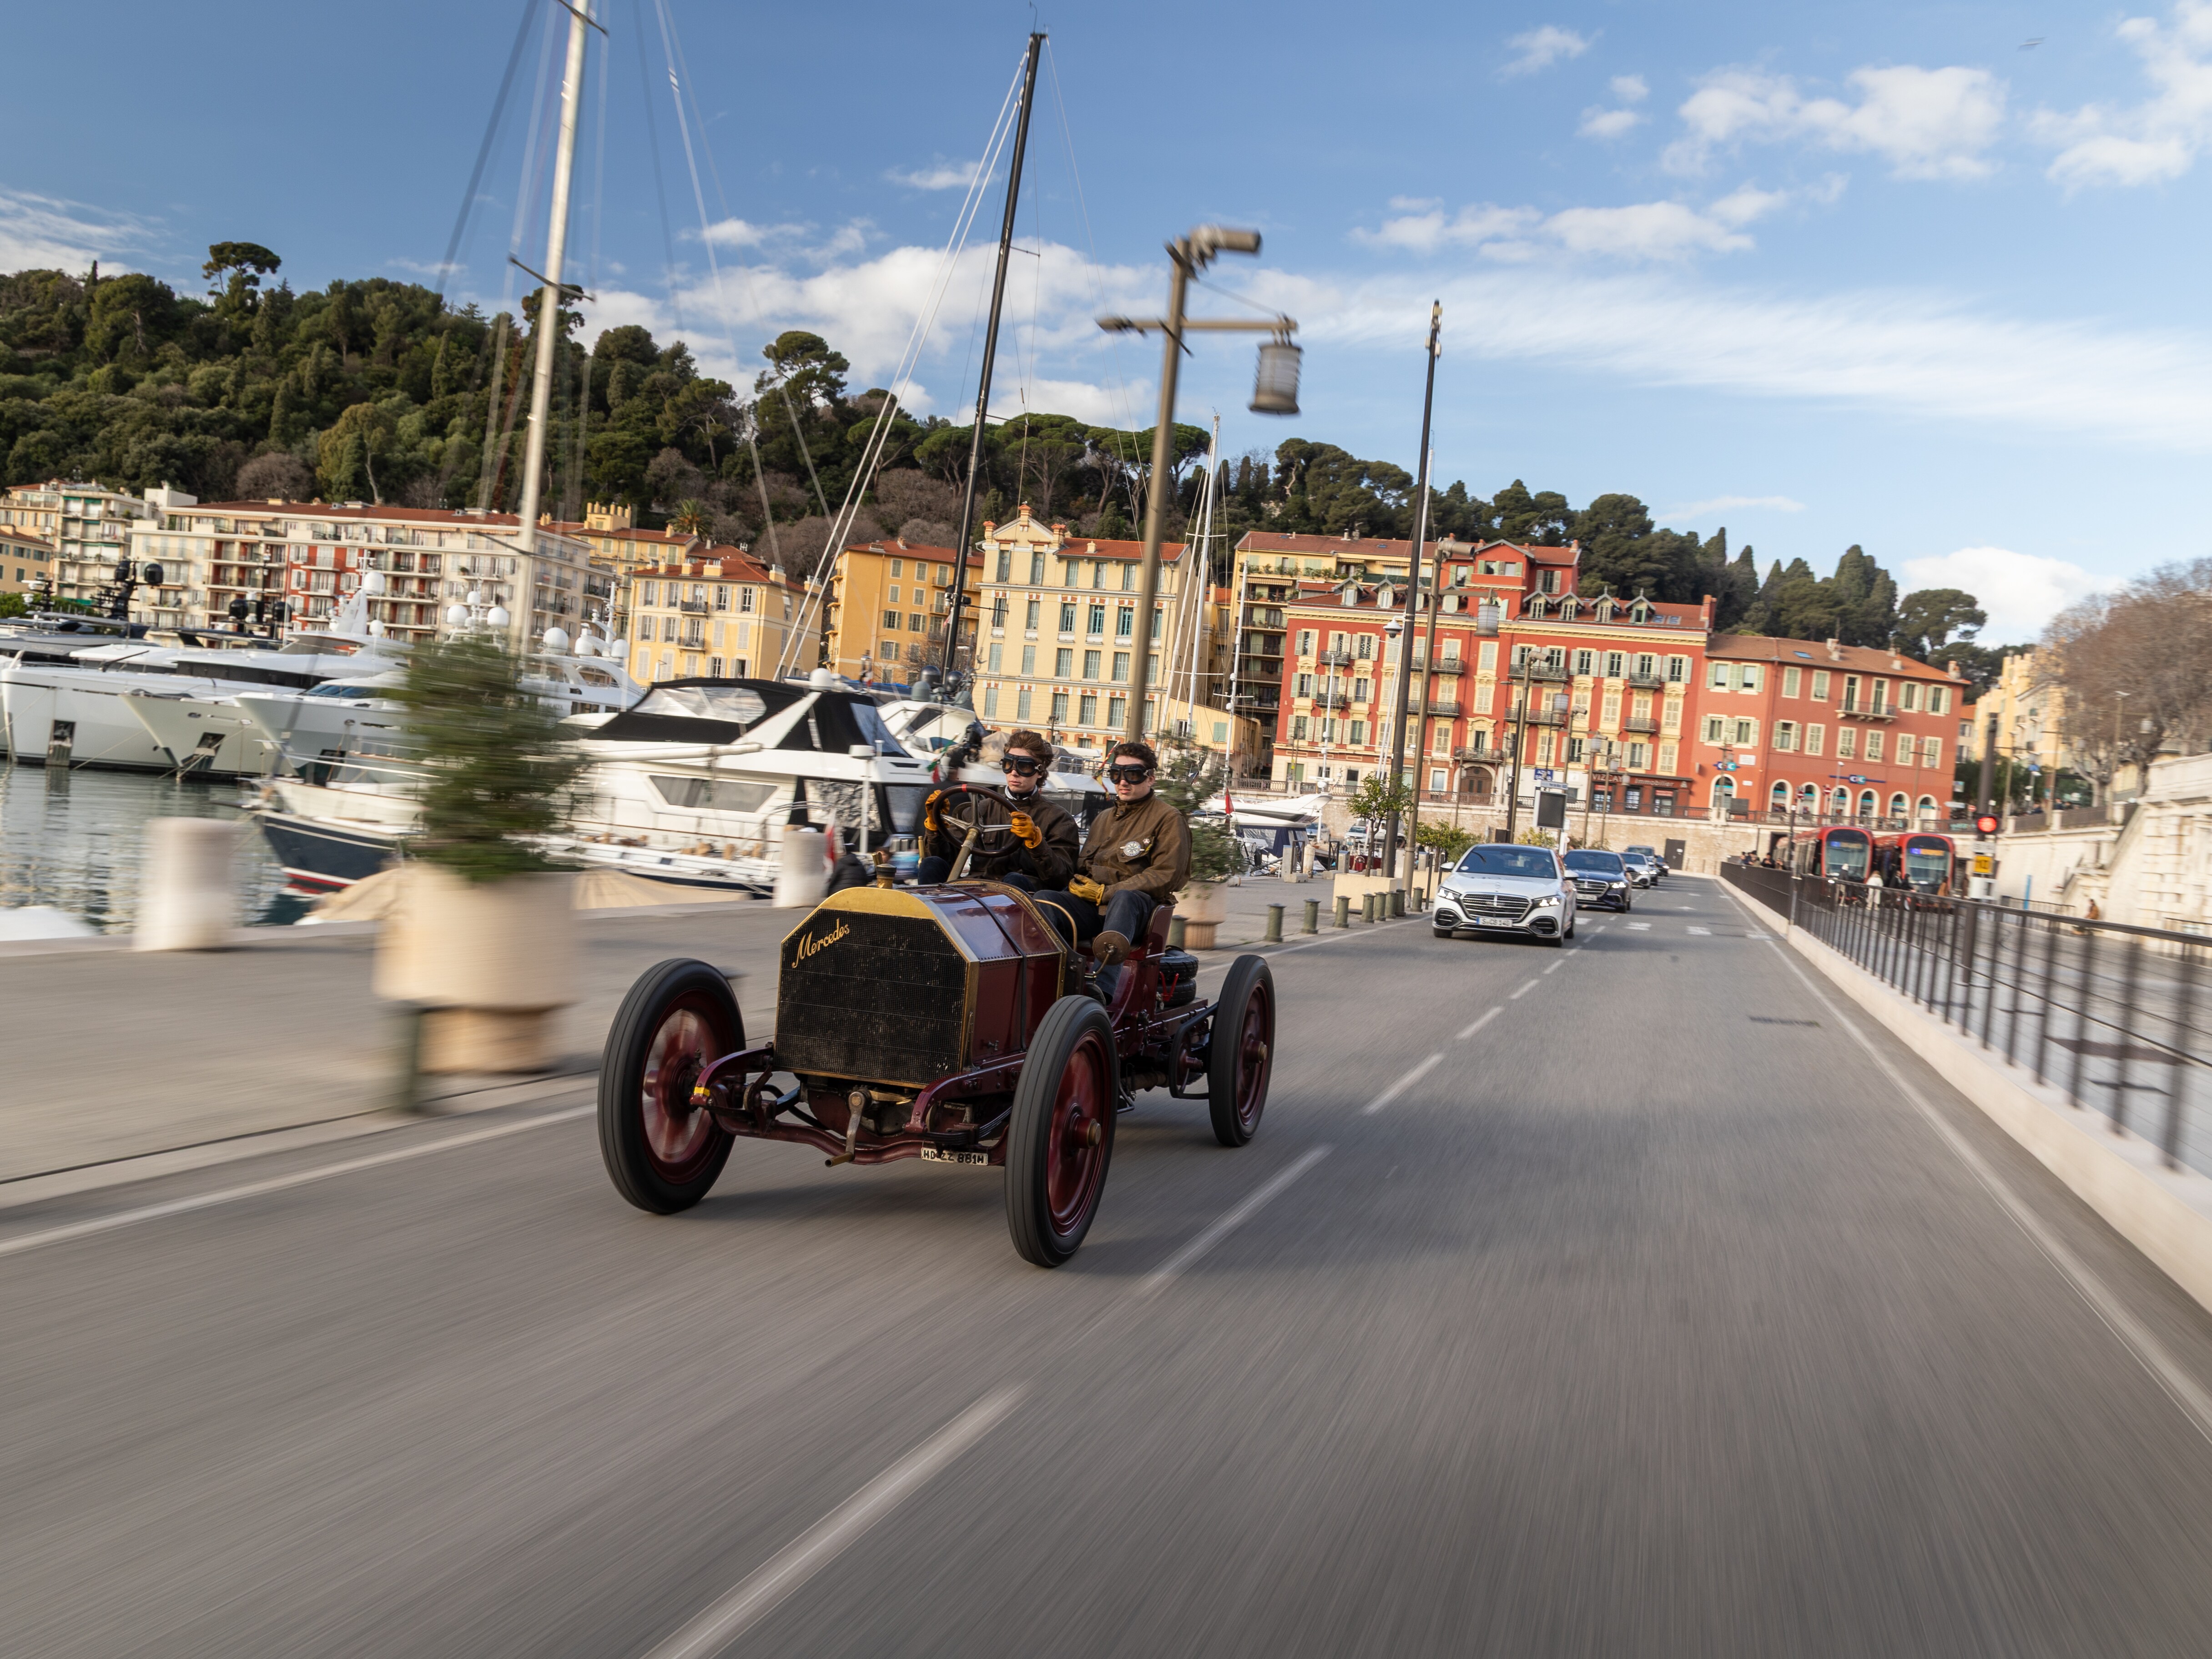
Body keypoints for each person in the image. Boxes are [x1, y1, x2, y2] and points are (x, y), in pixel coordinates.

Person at [1033, 739, 1191, 997]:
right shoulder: (1104, 818)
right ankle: (1054, 980)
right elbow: (1083, 867)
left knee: (1124, 897)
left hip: (1138, 913)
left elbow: (1166, 875)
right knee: (1046, 901)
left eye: (1133, 774)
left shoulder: (1169, 819)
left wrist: (1105, 893)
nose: (1123, 782)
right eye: (1116, 774)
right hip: (1094, 910)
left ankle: (1102, 989)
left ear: (1150, 779)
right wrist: (1076, 886)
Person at [915, 728, 1080, 891]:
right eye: (1009, 764)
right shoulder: (982, 809)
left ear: (1040, 771)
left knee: (1014, 880)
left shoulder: (1058, 818)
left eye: (1025, 766)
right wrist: (935, 826)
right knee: (931, 864)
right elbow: (947, 860)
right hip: (977, 889)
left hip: (1022, 897)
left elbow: (1062, 878)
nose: (1014, 773)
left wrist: (1037, 844)